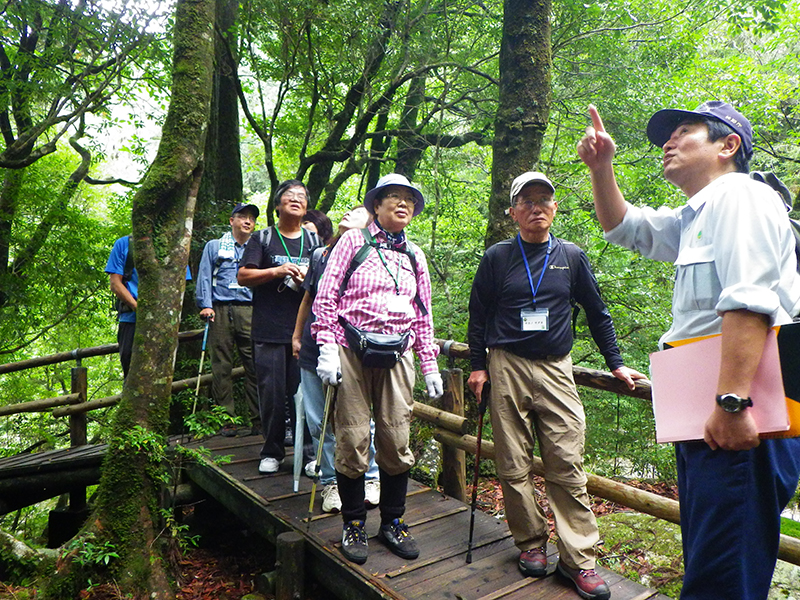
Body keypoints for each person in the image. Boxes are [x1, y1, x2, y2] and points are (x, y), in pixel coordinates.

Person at [577, 101, 800, 600]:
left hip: (745, 421)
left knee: (723, 577)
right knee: (712, 561)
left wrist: (732, 403)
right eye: (666, 138)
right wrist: (601, 168)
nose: (668, 143)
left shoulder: (742, 197)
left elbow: (750, 300)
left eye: (683, 131)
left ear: (728, 145)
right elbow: (624, 228)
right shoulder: (698, 215)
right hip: (713, 417)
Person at [466, 171, 647, 600]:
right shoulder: (497, 257)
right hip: (505, 363)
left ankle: (577, 560)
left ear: (555, 208)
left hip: (556, 368)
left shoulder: (571, 256)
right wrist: (478, 366)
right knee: (512, 463)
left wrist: (616, 364)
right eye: (526, 201)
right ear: (513, 212)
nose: (536, 208)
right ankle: (530, 544)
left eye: (544, 200)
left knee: (566, 461)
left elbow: (598, 313)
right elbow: (479, 314)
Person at [312, 173, 444, 565]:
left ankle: (393, 521)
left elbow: (424, 315)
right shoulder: (353, 241)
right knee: (352, 438)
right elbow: (327, 295)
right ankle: (354, 523)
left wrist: (429, 364)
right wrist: (327, 348)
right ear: (376, 206)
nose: (402, 205)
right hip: (351, 350)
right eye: (393, 198)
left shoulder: (415, 255)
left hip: (399, 353)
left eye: (409, 200)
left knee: (395, 437)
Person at [292, 205, 382, 513]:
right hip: (314, 345)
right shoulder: (320, 256)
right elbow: (309, 299)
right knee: (320, 421)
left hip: (352, 349)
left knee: (359, 420)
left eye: (357, 212)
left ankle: (370, 477)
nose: (347, 213)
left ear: (371, 222)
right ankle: (330, 483)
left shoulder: (376, 254)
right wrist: (296, 335)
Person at [238, 180, 319, 474]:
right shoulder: (262, 238)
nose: (296, 199)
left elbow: (324, 283)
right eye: (289, 196)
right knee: (271, 395)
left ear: (307, 207)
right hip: (268, 330)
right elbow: (243, 276)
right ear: (278, 205)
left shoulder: (314, 243)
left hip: (304, 334)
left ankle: (308, 455)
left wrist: (304, 281)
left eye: (301, 197)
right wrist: (277, 270)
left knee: (305, 394)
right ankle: (271, 451)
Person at [195, 202, 260, 436]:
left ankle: (259, 420)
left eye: (251, 218)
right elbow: (204, 275)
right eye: (242, 216)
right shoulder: (214, 246)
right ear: (231, 221)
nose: (247, 221)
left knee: (255, 364)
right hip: (220, 309)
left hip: (249, 309)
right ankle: (226, 419)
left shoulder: (257, 247)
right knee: (221, 365)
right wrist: (205, 305)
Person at [106, 235, 191, 378]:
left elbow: (180, 283)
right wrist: (137, 307)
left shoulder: (174, 246)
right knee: (131, 368)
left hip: (163, 321)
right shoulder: (125, 244)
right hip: (131, 319)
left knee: (161, 370)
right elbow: (115, 283)